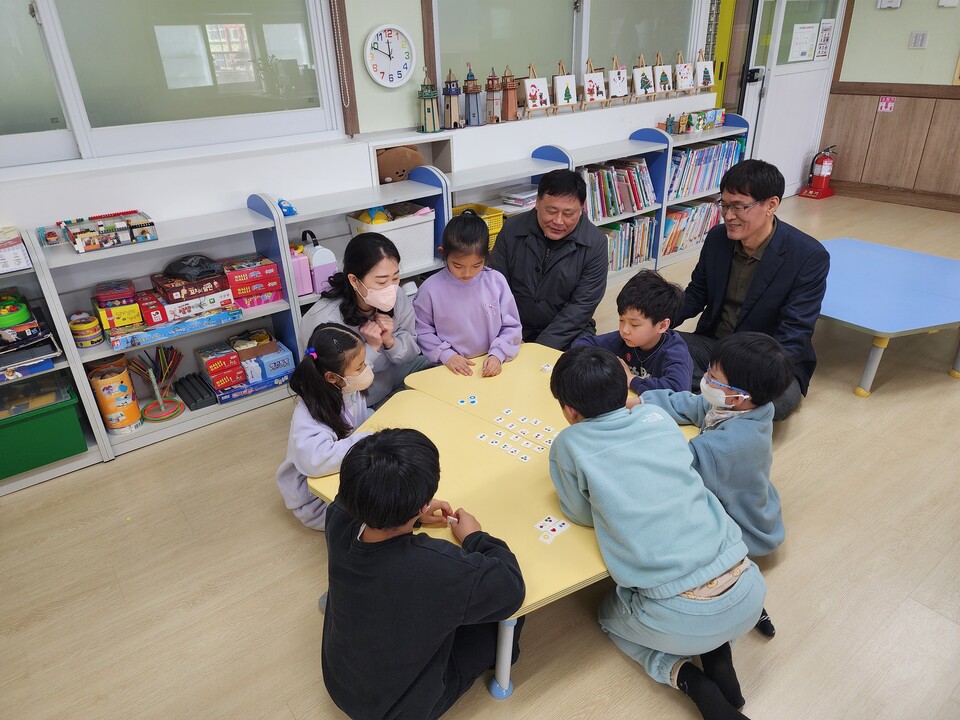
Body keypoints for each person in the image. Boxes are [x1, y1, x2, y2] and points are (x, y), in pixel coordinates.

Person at [549, 346, 765, 720]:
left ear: (569, 411)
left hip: (679, 612)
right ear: (625, 390)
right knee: (702, 586)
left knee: (607, 615)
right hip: (749, 586)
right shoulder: (656, 415)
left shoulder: (568, 443)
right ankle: (717, 655)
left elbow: (580, 514)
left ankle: (686, 678)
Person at [322, 428, 525, 720]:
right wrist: (475, 537)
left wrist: (412, 516)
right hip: (397, 711)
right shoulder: (435, 567)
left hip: (340, 682)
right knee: (502, 619)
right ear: (422, 504)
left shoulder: (338, 515)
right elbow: (511, 588)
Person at [641, 332, 795, 639]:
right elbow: (695, 405)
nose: (705, 381)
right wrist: (641, 401)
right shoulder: (750, 408)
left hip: (741, 526)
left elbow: (675, 473)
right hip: (753, 500)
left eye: (713, 378)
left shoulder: (725, 445)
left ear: (739, 396)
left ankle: (742, 597)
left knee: (665, 540)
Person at [676, 159, 829, 421]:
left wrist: (749, 376)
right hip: (715, 348)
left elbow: (794, 333)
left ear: (771, 205)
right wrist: (656, 320)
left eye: (739, 206)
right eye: (724, 205)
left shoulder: (808, 256)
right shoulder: (717, 239)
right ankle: (718, 400)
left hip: (765, 361)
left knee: (779, 403)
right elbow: (696, 294)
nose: (728, 215)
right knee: (652, 344)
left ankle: (698, 397)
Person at [300, 232, 429, 408]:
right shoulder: (323, 320)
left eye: (395, 278)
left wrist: (390, 341)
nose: (391, 288)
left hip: (387, 379)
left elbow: (411, 351)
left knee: (433, 366)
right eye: (381, 282)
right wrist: (372, 347)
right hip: (353, 400)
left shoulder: (397, 295)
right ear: (354, 280)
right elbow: (336, 381)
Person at [488, 169, 608, 350]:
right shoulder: (512, 230)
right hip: (514, 328)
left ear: (582, 209)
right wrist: (511, 333)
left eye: (568, 214)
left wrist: (539, 348)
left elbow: (581, 307)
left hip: (569, 333)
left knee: (582, 364)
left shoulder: (595, 243)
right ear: (537, 202)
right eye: (551, 211)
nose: (558, 221)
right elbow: (496, 288)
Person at [276, 323, 374, 530]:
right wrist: (366, 439)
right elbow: (315, 461)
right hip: (316, 502)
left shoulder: (348, 388)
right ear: (331, 377)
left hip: (344, 471)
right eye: (359, 367)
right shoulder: (310, 413)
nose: (366, 370)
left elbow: (357, 424)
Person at [414, 210, 522, 377]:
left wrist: (498, 355)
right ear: (443, 253)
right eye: (457, 266)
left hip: (491, 364)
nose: (467, 273)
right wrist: (446, 355)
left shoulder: (496, 281)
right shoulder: (430, 289)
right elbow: (421, 331)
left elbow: (512, 326)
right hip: (449, 368)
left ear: (486, 256)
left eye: (477, 265)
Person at [573, 268, 692, 406]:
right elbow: (580, 346)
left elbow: (678, 394)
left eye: (634, 324)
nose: (625, 330)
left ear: (662, 326)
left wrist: (631, 379)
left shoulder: (673, 353)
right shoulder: (624, 339)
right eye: (621, 320)